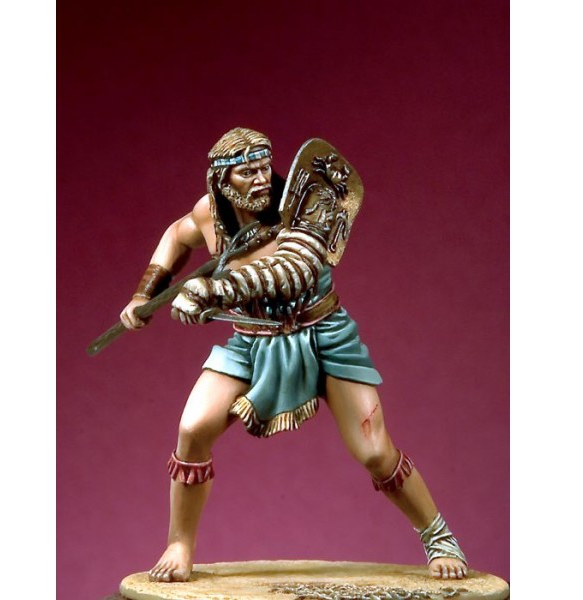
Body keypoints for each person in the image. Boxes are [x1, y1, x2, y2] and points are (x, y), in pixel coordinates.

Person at [120, 127, 468, 583]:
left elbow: (289, 273)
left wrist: (210, 290)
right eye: (247, 172)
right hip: (252, 341)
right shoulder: (211, 214)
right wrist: (146, 291)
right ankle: (179, 543)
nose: (261, 179)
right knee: (193, 429)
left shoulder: (308, 210)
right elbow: (176, 234)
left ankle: (439, 537)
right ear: (223, 181)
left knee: (374, 451)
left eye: (264, 168)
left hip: (324, 337)